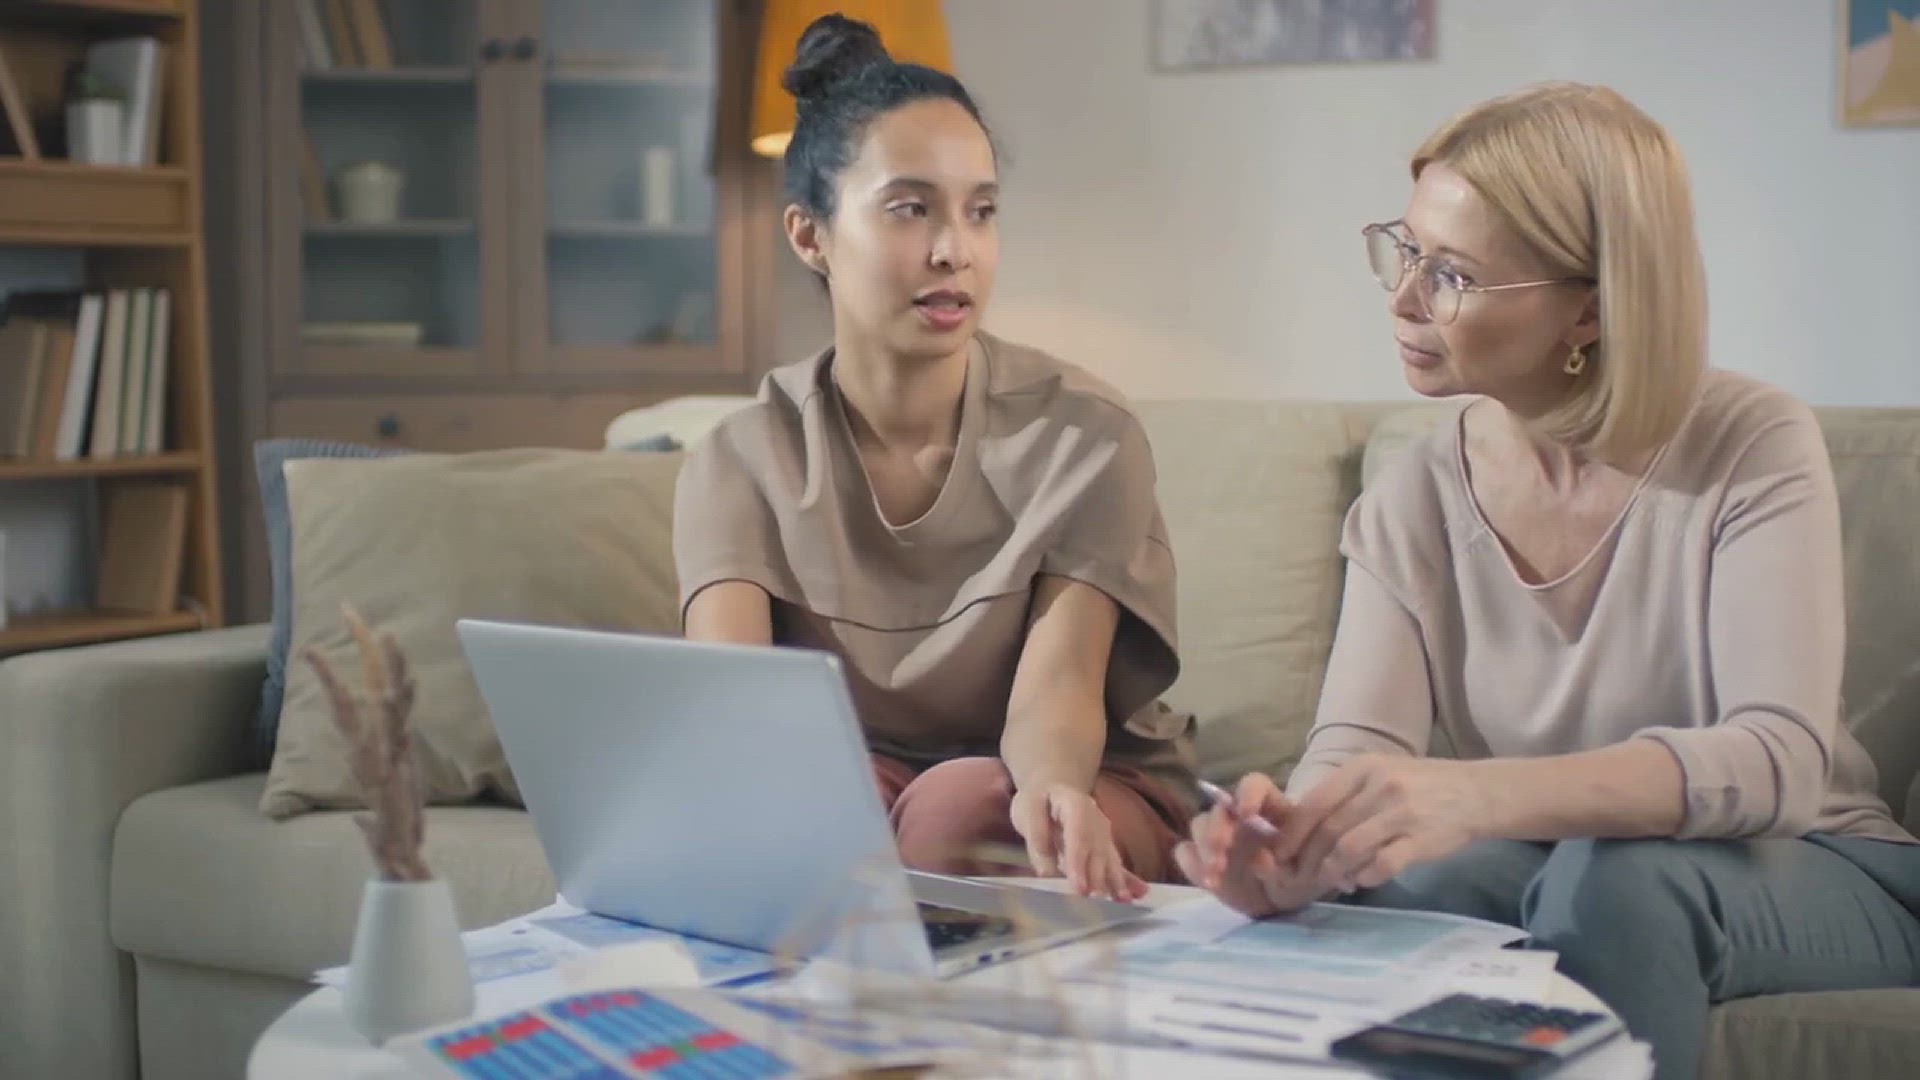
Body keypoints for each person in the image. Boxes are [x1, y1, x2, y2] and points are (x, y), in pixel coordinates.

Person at [1179, 83, 1920, 1080]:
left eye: (1451, 273)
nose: (1402, 299)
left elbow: (1777, 763)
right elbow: (1355, 749)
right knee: (1406, 881)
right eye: (1406, 250)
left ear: (1590, 307)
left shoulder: (1750, 444)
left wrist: (1478, 795)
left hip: (1817, 866)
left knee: (1619, 880)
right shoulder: (1415, 493)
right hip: (1560, 862)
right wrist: (1289, 852)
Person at [674, 15, 1195, 902]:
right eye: (911, 208)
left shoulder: (1084, 434)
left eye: (980, 211)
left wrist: (1050, 789)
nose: (955, 250)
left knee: (959, 815)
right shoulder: (739, 459)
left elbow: (1060, 688)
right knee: (813, 815)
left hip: (1072, 783)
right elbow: (737, 715)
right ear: (809, 236)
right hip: (862, 778)